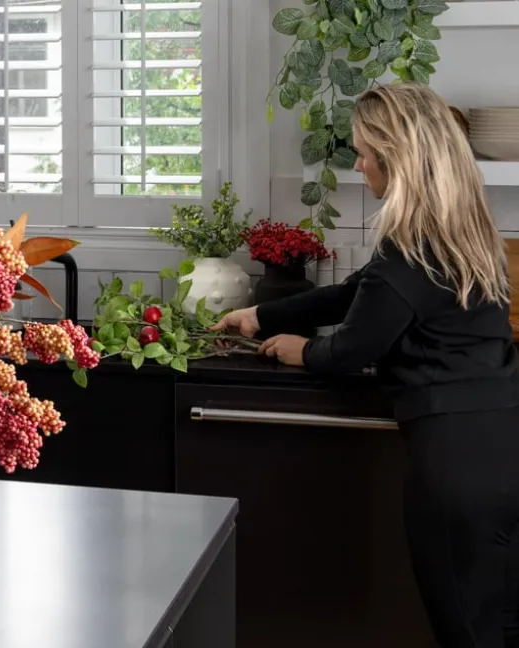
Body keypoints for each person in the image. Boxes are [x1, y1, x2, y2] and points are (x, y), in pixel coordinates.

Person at [212, 83, 519, 648]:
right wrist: (261, 313)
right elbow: (359, 293)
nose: (358, 165)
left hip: (456, 472)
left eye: (364, 153)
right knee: (499, 626)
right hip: (503, 446)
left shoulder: (410, 248)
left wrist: (301, 349)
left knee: (467, 632)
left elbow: (354, 345)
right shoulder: (462, 234)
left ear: (396, 161)